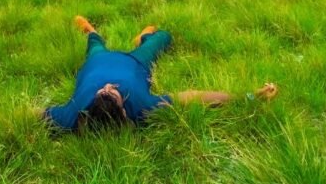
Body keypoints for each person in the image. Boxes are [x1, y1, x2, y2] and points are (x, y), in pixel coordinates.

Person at [42, 16, 278, 132]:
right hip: (136, 62)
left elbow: (32, 113)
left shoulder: (71, 116)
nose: (108, 86)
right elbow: (194, 97)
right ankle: (143, 39)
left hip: (97, 60)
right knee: (163, 37)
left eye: (102, 91)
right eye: (113, 93)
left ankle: (91, 31)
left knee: (95, 44)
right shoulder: (143, 109)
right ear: (125, 113)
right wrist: (250, 96)